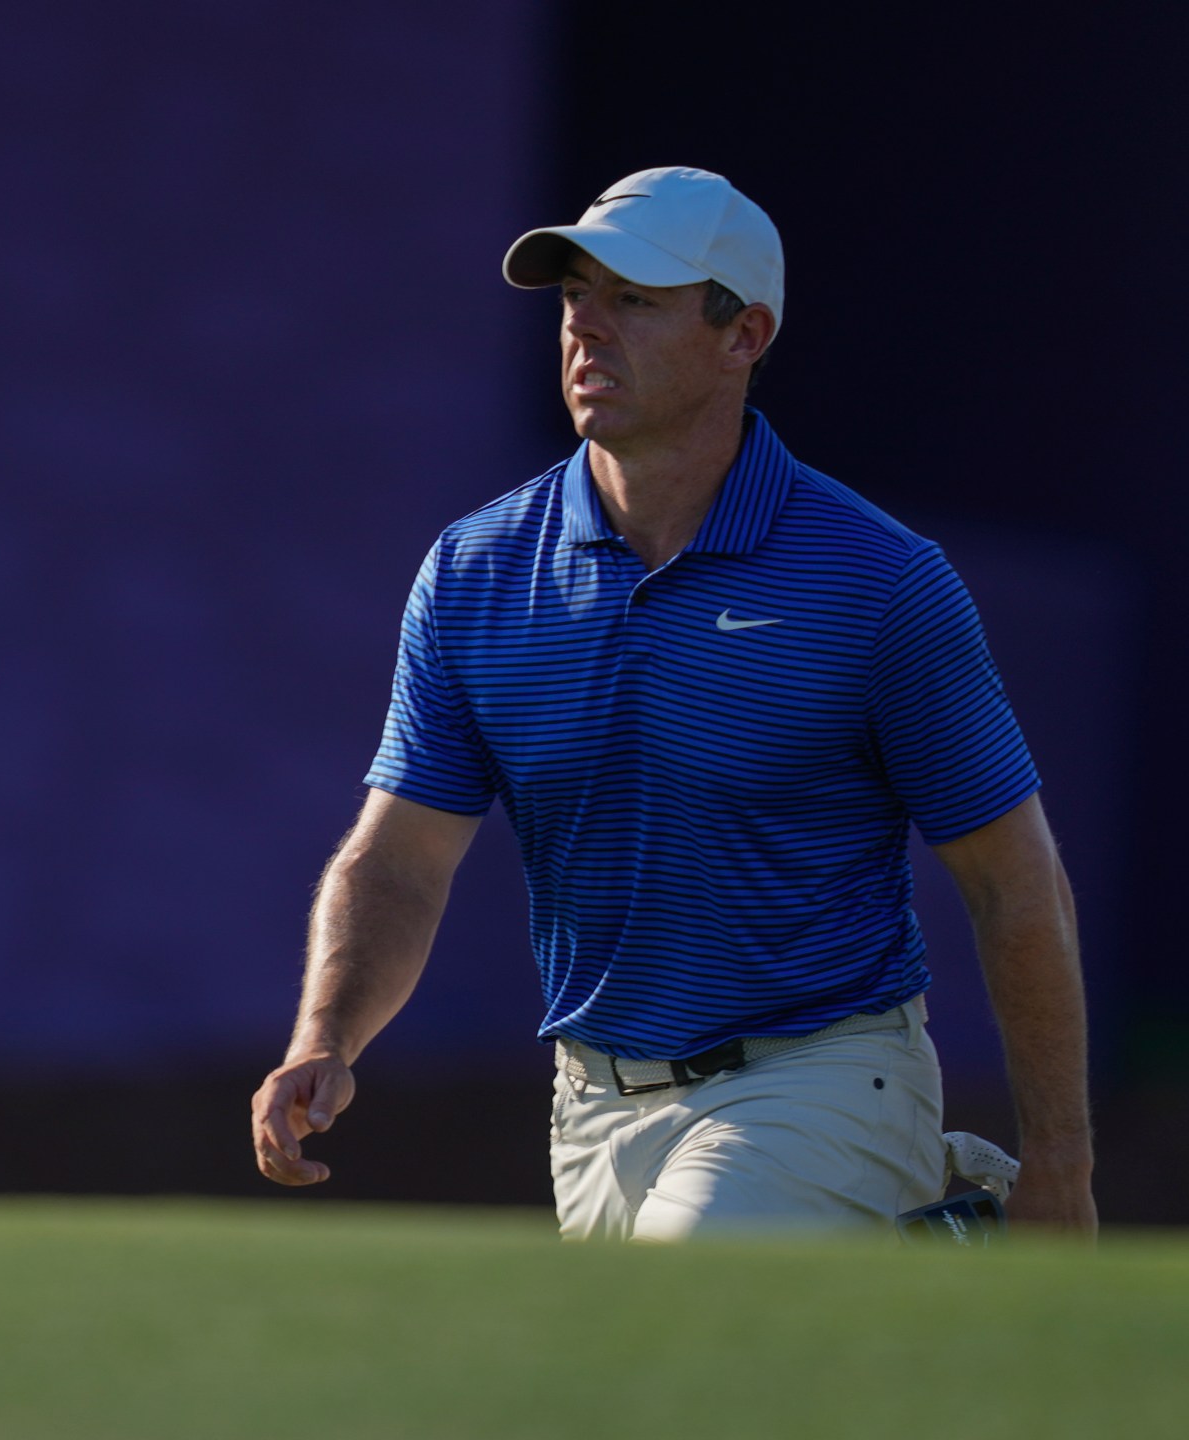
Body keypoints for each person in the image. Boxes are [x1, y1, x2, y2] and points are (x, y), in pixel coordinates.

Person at [249, 166, 1093, 1239]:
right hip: (591, 1109)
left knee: (685, 1314)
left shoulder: (878, 580)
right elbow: (402, 856)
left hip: (823, 1073)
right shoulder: (474, 572)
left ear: (743, 334)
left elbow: (1014, 884)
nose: (586, 330)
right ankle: (914, 1262)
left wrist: (1062, 1165)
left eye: (633, 301)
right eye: (573, 298)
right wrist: (325, 1037)